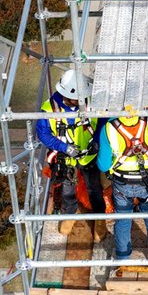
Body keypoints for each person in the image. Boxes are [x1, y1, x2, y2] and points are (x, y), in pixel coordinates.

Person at [98, 104, 148, 261]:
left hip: (123, 183)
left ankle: (123, 258)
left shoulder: (108, 127)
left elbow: (103, 165)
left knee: (123, 220)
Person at [35, 70, 101, 236]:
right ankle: (70, 215)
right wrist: (65, 148)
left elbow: (102, 121)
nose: (83, 101)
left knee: (94, 188)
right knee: (67, 190)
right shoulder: (49, 109)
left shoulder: (90, 102)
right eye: (79, 98)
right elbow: (43, 134)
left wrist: (98, 141)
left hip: (88, 155)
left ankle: (99, 218)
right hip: (66, 160)